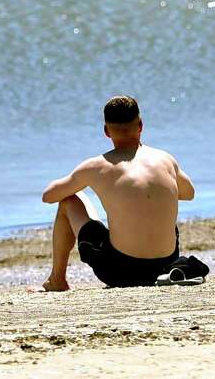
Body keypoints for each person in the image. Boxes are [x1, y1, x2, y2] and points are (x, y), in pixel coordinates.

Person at [30, 95, 196, 291]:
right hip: (166, 266)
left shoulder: (97, 166)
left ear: (106, 131)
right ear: (140, 125)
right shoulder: (165, 159)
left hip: (120, 272)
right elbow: (188, 193)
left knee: (69, 200)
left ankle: (57, 280)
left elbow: (48, 196)